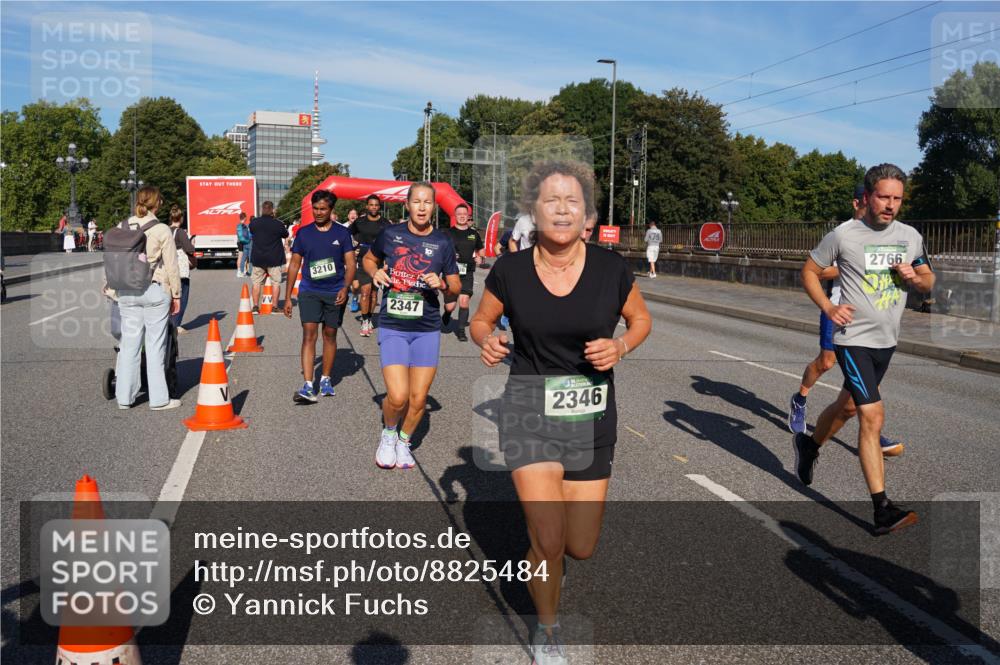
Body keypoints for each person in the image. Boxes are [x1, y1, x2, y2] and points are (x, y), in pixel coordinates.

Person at [470, 161, 651, 664]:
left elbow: (640, 320)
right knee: (549, 539)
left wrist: (621, 348)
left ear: (588, 215)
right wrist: (488, 339)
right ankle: (547, 630)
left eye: (573, 201)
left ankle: (542, 557)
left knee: (580, 546)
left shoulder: (612, 269)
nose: (563, 209)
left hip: (591, 414)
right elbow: (480, 320)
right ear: (534, 211)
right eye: (552, 200)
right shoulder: (510, 270)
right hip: (529, 408)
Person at [796, 163, 935, 535]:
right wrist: (828, 308)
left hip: (886, 341)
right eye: (884, 197)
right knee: (872, 416)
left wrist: (915, 278)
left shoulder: (910, 236)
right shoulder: (843, 235)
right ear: (868, 196)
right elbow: (809, 271)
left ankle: (810, 446)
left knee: (850, 407)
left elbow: (928, 280)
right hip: (852, 338)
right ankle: (882, 509)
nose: (890, 205)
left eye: (897, 198)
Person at [789, 185, 903, 457]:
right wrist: (851, 265)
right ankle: (800, 399)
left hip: (869, 315)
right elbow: (817, 271)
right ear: (857, 203)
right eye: (870, 201)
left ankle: (871, 433)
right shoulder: (841, 234)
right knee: (826, 362)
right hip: (839, 308)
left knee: (863, 383)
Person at [363, 182, 460, 469]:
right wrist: (376, 271)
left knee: (418, 400)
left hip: (427, 328)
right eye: (416, 202)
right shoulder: (390, 234)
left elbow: (454, 287)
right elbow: (369, 259)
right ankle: (389, 434)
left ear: (434, 207)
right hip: (393, 324)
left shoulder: (443, 242)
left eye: (427, 202)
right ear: (407, 205)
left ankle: (404, 442)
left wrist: (442, 284)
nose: (421, 207)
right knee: (398, 395)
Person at [113, 185, 183, 410]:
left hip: (126, 291)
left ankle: (124, 398)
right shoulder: (161, 229)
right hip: (154, 289)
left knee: (129, 346)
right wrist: (176, 294)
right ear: (157, 203)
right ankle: (159, 399)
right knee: (154, 346)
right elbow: (172, 265)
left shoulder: (122, 226)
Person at [284, 190, 356, 403]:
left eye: (323, 209)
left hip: (334, 291)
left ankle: (325, 378)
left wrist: (345, 287)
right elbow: (295, 264)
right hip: (309, 291)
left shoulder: (342, 234)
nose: (318, 212)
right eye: (315, 209)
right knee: (309, 334)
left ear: (331, 210)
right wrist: (288, 297)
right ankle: (308, 385)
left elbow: (351, 264)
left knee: (330, 334)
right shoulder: (304, 233)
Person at [442, 203, 484, 342]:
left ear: (468, 216)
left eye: (464, 214)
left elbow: (480, 250)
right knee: (450, 306)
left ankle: (461, 331)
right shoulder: (448, 233)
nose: (461, 216)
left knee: (464, 301)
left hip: (468, 272)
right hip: (451, 273)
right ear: (455, 216)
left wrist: (480, 258)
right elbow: (440, 251)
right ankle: (447, 314)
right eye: (459, 214)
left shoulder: (474, 234)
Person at [352, 195, 393, 336]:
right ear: (367, 206)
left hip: (379, 260)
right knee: (365, 291)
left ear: (379, 207)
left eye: (376, 205)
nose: (374, 207)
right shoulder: (360, 221)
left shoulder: (385, 223)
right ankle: (364, 321)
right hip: (363, 258)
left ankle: (369, 317)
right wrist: (352, 247)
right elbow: (347, 235)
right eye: (371, 205)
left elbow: (393, 240)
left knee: (374, 293)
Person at [249, 201, 288, 313]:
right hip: (274, 258)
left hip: (258, 258)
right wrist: (274, 218)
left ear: (262, 209)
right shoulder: (278, 224)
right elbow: (286, 234)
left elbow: (252, 230)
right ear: (272, 210)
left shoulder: (254, 223)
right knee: (275, 282)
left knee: (256, 282)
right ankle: (274, 307)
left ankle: (256, 307)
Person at [168, 205, 196, 334]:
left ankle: (168, 321)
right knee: (182, 295)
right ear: (181, 218)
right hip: (181, 269)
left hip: (168, 266)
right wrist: (192, 245)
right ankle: (176, 324)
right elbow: (189, 249)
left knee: (171, 295)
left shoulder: (166, 230)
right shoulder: (180, 232)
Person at [340, 208, 363, 313]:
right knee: (344, 282)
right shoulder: (342, 227)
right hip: (343, 260)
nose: (353, 215)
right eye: (351, 213)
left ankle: (354, 298)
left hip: (357, 260)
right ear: (348, 216)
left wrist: (359, 250)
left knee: (356, 285)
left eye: (355, 213)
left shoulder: (362, 228)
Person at [236, 212, 252, 277]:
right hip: (243, 242)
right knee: (241, 257)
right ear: (244, 217)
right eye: (246, 218)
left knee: (242, 257)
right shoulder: (243, 225)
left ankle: (241, 271)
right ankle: (239, 271)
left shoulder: (238, 225)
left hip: (239, 242)